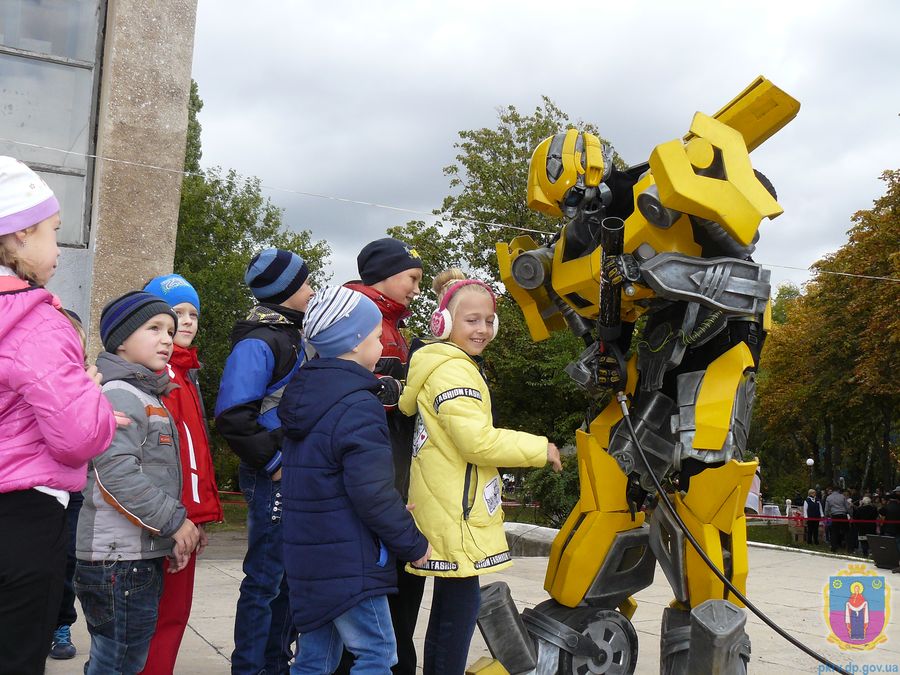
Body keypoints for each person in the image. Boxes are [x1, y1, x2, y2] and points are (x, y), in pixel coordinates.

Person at [398, 274, 563, 674]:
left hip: (447, 504)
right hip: (457, 511)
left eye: (489, 320)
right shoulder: (453, 372)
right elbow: (476, 441)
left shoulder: (442, 364)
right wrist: (540, 448)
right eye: (472, 320)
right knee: (456, 616)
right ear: (444, 323)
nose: (483, 329)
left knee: (447, 613)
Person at [0, 157, 118, 673]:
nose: (58, 248)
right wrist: (91, 391)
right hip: (23, 517)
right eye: (53, 231)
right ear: (20, 233)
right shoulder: (37, 321)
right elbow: (77, 438)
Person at [279, 286, 432, 673]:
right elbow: (372, 494)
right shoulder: (360, 403)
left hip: (309, 556)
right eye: (377, 336)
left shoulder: (305, 395)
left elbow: (330, 479)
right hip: (350, 560)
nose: (382, 344)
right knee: (378, 653)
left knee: (316, 657)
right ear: (353, 343)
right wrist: (413, 544)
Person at [76, 291, 201, 674]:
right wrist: (175, 522)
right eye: (154, 328)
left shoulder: (148, 394)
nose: (168, 337)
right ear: (121, 340)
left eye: (171, 330)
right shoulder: (120, 394)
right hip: (118, 560)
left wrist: (168, 536)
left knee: (124, 659)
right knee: (117, 662)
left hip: (134, 557)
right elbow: (116, 474)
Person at [215, 248, 314, 675]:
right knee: (265, 581)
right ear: (286, 289)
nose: (312, 290)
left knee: (289, 579)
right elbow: (233, 417)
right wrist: (273, 461)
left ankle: (276, 663)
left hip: (293, 471)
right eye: (306, 283)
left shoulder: (293, 334)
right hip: (273, 474)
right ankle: (251, 668)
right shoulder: (260, 340)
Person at [340, 236, 426, 675]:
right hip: (378, 472)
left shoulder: (386, 321)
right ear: (387, 275)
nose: (416, 287)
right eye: (412, 277)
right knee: (384, 595)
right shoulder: (360, 317)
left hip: (385, 472)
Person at [140, 274, 223, 674]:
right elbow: (157, 463)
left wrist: (200, 518)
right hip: (162, 525)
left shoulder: (187, 375)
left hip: (184, 521)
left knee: (173, 618)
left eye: (193, 314)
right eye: (175, 314)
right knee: (150, 623)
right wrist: (175, 523)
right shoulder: (156, 377)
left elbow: (196, 455)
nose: (187, 321)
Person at [825, 486, 851, 554]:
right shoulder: (842, 496)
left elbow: (826, 509)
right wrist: (850, 514)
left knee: (834, 532)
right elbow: (847, 507)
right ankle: (849, 548)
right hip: (843, 515)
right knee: (846, 532)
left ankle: (834, 548)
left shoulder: (829, 497)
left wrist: (826, 515)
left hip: (834, 515)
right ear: (838, 490)